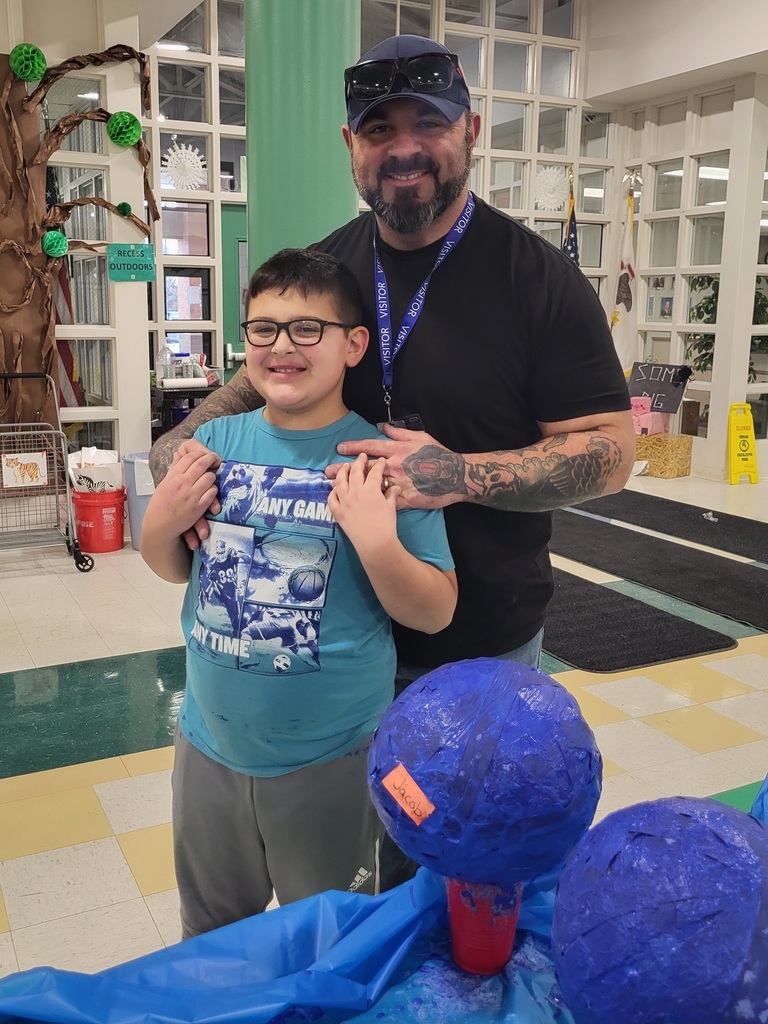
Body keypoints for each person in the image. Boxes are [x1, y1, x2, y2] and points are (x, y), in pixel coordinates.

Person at [149, 33, 634, 885]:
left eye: (428, 124)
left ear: (471, 131)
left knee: (468, 866)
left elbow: (610, 452)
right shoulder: (331, 265)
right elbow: (250, 389)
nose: (404, 147)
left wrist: (455, 474)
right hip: (339, 645)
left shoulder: (539, 280)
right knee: (358, 881)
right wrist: (174, 462)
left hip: (479, 639)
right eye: (379, 130)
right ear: (351, 146)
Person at [140, 247, 457, 936]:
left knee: (337, 942)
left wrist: (377, 543)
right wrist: (157, 525)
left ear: (352, 345)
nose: (282, 346)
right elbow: (174, 568)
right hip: (207, 746)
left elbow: (436, 611)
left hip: (334, 760)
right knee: (213, 937)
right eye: (264, 328)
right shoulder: (215, 442)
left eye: (307, 328)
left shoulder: (381, 461)